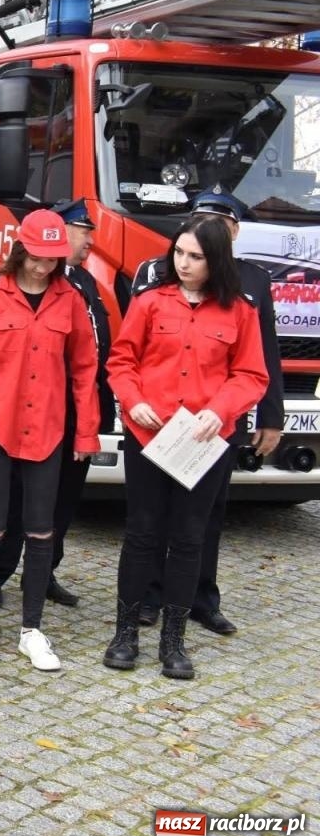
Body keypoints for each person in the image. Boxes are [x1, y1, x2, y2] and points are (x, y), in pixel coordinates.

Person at [104, 217, 267, 679]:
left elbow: (251, 374)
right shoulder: (151, 301)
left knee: (189, 537)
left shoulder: (240, 310)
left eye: (195, 256)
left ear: (216, 259)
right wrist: (132, 402)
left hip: (204, 442)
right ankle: (125, 634)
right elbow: (122, 360)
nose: (184, 263)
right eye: (179, 253)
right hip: (149, 437)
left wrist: (220, 409)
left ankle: (173, 641)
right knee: (141, 533)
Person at [0, 210, 100, 672]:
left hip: (48, 431)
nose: (42, 267)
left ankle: (32, 629)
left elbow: (84, 370)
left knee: (41, 529)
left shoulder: (71, 301)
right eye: (36, 257)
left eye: (52, 259)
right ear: (21, 250)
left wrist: (86, 432)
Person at [129, 188, 281, 635]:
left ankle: (200, 599)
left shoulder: (251, 282)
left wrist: (269, 416)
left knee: (204, 518)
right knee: (151, 519)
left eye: (222, 225)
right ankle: (150, 598)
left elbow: (261, 358)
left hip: (212, 427)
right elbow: (134, 353)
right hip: (159, 422)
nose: (186, 260)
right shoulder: (155, 278)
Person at [0, 199, 114, 610]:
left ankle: (43, 573)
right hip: (37, 406)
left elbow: (92, 353)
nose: (88, 240)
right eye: (82, 231)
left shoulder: (86, 283)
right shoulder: (23, 284)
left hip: (77, 408)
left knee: (61, 500)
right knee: (15, 497)